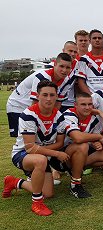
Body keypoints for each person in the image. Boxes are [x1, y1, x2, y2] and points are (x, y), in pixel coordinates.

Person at [2, 80, 69, 216]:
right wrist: (55, 153)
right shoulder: (28, 115)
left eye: (52, 95)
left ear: (57, 96)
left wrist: (46, 150)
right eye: (45, 95)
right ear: (37, 96)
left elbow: (60, 142)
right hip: (21, 155)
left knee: (48, 193)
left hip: (42, 155)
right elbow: (30, 148)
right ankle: (37, 203)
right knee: (40, 160)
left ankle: (14, 182)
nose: (49, 99)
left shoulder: (59, 116)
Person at [50, 93, 103, 198]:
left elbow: (92, 138)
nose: (87, 107)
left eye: (90, 104)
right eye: (83, 104)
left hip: (77, 155)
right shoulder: (69, 114)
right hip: (59, 157)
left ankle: (75, 170)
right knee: (82, 145)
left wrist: (96, 143)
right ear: (75, 105)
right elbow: (78, 137)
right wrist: (97, 137)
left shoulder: (94, 119)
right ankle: (75, 185)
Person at [6, 53, 72, 137]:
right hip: (18, 105)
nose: (64, 70)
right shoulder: (42, 77)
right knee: (23, 138)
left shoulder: (67, 81)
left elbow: (57, 104)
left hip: (33, 106)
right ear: (55, 64)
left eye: (68, 67)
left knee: (40, 137)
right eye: (61, 66)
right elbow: (35, 102)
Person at [76, 29, 103, 94]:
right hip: (91, 97)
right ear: (90, 41)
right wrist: (91, 97)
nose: (97, 40)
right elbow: (81, 81)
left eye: (99, 38)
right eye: (94, 38)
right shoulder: (83, 60)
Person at [59, 41, 79, 112]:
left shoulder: (79, 65)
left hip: (70, 103)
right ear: (63, 51)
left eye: (75, 52)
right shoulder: (53, 65)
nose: (73, 54)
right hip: (55, 101)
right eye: (70, 51)